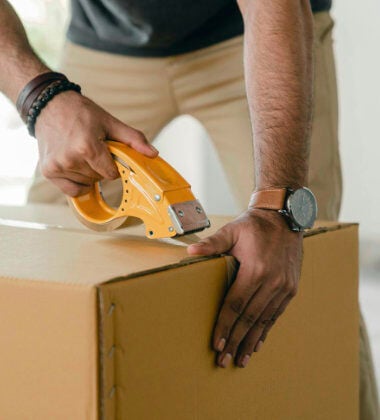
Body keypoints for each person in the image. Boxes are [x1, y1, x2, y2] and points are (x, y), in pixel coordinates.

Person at [0, 0, 378, 417]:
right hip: (107, 41)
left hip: (250, 32)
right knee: (51, 250)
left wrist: (277, 206)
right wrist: (42, 96)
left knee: (305, 260)